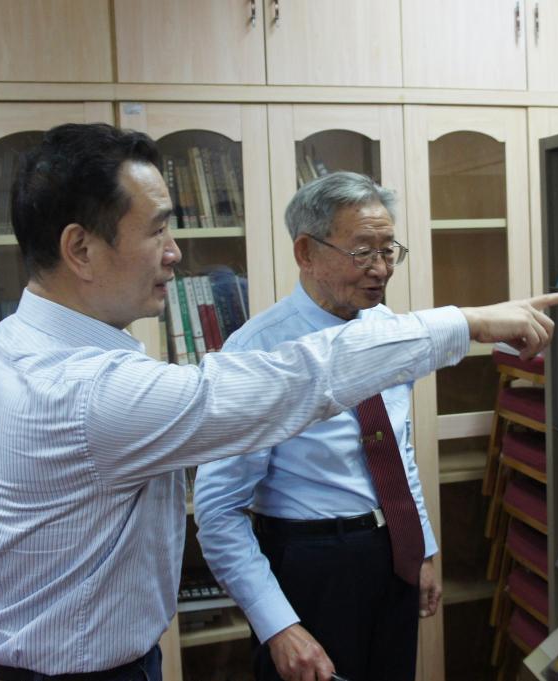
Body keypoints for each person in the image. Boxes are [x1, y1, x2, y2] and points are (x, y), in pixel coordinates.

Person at [0, 122, 558, 681]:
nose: (175, 251)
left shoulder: (9, 346)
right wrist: (468, 322)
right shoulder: (90, 390)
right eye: (158, 229)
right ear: (81, 249)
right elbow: (294, 382)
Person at [195, 172, 441, 681]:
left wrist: (422, 547)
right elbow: (218, 510)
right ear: (306, 252)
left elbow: (397, 451)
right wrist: (277, 625)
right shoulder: (258, 351)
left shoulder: (389, 330)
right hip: (308, 567)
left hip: (393, 553)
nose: (381, 269)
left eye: (388, 250)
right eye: (362, 252)